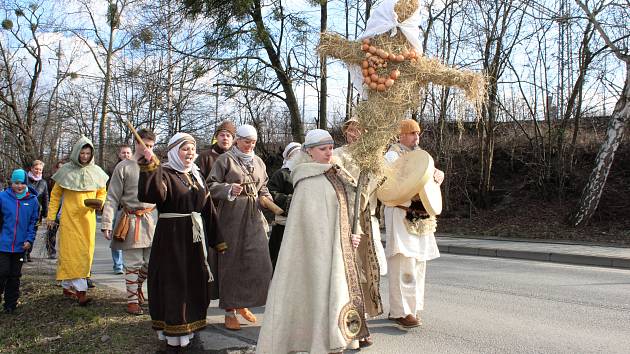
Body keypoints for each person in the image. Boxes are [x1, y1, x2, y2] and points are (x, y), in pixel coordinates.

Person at [257, 129, 369, 354]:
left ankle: (332, 338)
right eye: (323, 149)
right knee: (315, 294)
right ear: (309, 152)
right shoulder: (306, 181)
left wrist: (349, 235)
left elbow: (350, 206)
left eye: (330, 148)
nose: (329, 153)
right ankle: (317, 342)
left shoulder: (336, 172)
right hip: (317, 254)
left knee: (334, 293)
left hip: (337, 247)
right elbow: (310, 228)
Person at [137, 132, 225, 349]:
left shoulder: (195, 174)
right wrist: (149, 167)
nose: (190, 152)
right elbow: (152, 195)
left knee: (195, 281)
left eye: (193, 148)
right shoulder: (164, 172)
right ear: (174, 151)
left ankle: (190, 328)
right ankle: (174, 333)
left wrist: (217, 240)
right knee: (174, 283)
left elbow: (208, 209)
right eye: (185, 148)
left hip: (194, 240)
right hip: (171, 238)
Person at [209, 124, 272, 331]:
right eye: (246, 141)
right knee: (232, 261)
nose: (250, 146)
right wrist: (228, 188)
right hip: (232, 215)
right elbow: (210, 185)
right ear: (237, 140)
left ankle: (243, 302)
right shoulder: (225, 160)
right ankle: (230, 311)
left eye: (253, 142)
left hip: (254, 216)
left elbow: (263, 187)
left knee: (258, 260)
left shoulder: (259, 161)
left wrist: (267, 199)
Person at [383, 119, 444, 328]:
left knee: (418, 263)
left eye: (417, 133)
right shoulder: (392, 156)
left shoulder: (421, 156)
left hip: (420, 214)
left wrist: (437, 176)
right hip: (400, 213)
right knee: (403, 262)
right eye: (411, 133)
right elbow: (389, 185)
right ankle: (401, 311)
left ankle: (412, 308)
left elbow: (428, 186)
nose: (416, 137)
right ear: (400, 135)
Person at [333, 118, 385, 348]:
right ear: (346, 133)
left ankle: (362, 323)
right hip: (344, 219)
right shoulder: (338, 155)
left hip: (365, 222)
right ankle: (346, 325)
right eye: (351, 130)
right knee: (346, 272)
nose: (355, 133)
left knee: (364, 273)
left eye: (360, 129)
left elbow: (388, 185)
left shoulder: (373, 157)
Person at [46, 136, 108, 306]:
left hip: (87, 219)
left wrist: (99, 202)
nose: (85, 156)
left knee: (85, 252)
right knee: (70, 253)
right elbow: (55, 195)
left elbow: (102, 192)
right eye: (82, 152)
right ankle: (81, 292)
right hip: (69, 218)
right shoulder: (65, 170)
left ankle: (68, 286)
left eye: (88, 153)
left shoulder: (96, 171)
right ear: (76, 152)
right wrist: (51, 216)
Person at [101, 129, 157, 315]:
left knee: (151, 263)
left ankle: (137, 287)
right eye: (144, 145)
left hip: (152, 220)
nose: (147, 149)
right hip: (131, 220)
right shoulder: (123, 166)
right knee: (133, 263)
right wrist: (107, 223)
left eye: (151, 146)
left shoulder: (157, 165)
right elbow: (112, 197)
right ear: (136, 143)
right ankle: (132, 300)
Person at [0, 169, 39, 314]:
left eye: (22, 183)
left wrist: (29, 239)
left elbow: (33, 222)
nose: (19, 186)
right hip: (3, 244)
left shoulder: (32, 200)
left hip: (20, 246)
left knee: (14, 276)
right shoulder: (3, 197)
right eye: (16, 183)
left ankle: (10, 304)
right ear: (11, 182)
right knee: (2, 272)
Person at [267, 141, 301, 272]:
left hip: (302, 223)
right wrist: (291, 201)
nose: (298, 156)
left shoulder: (306, 172)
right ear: (288, 156)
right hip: (283, 224)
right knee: (280, 259)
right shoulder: (281, 174)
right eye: (294, 154)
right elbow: (271, 193)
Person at [110, 145, 133, 274]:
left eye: (128, 153)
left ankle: (129, 264)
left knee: (130, 239)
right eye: (123, 153)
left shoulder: (136, 168)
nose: (126, 155)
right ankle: (118, 265)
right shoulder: (114, 169)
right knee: (118, 237)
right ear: (119, 154)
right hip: (119, 209)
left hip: (132, 210)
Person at [25, 160, 49, 262]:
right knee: (23, 232)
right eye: (36, 169)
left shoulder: (43, 183)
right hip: (24, 211)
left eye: (40, 169)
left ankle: (28, 253)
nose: (38, 171)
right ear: (31, 169)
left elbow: (45, 198)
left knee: (33, 233)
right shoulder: (25, 180)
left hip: (36, 213)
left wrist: (46, 214)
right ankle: (22, 253)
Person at [44, 160, 64, 259]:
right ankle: (51, 250)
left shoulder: (69, 180)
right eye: (59, 168)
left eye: (63, 168)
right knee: (51, 231)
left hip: (64, 208)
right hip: (54, 208)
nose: (61, 170)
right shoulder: (50, 180)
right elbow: (46, 195)